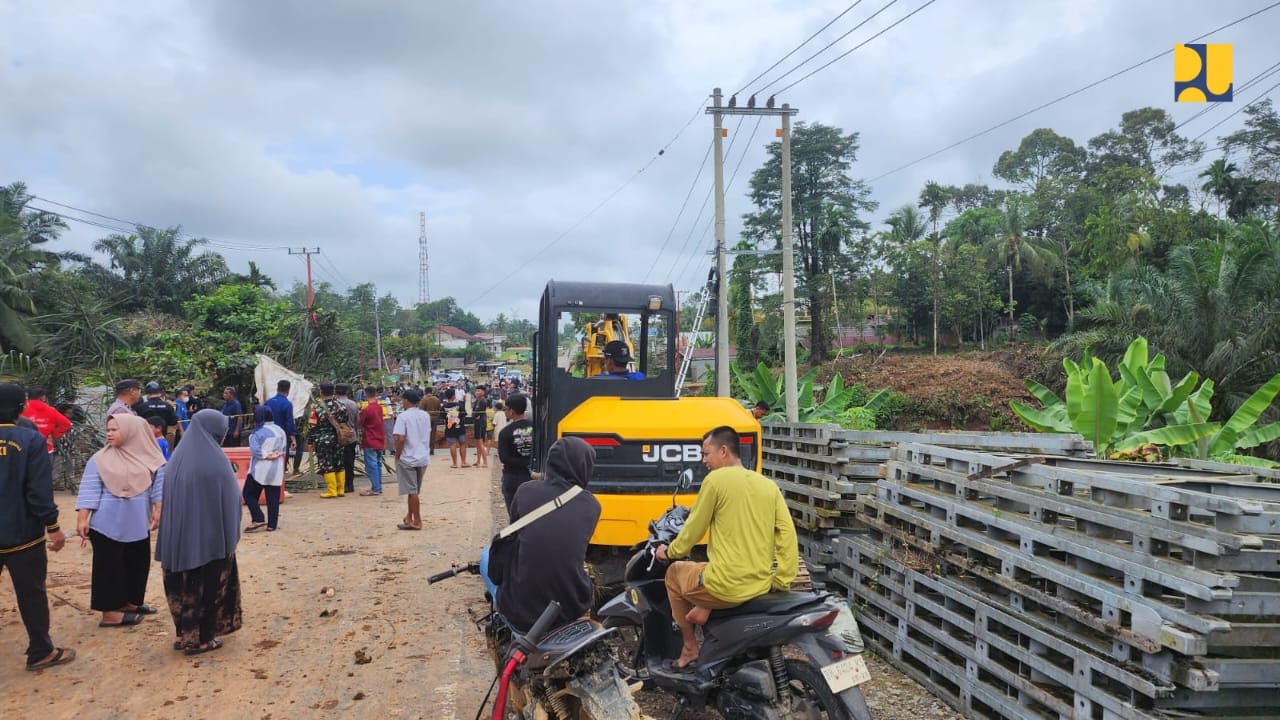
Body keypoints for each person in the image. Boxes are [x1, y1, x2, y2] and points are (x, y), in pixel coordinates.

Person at [655, 425, 798, 669]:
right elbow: (787, 536)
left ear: (723, 451)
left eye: (706, 454)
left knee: (674, 573)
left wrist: (669, 552)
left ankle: (689, 646)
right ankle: (705, 608)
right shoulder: (768, 486)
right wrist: (782, 580)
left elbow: (693, 530)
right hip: (759, 584)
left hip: (725, 585)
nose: (704, 460)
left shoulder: (716, 480)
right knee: (707, 567)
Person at [155, 409, 244, 655]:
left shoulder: (176, 460)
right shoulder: (216, 462)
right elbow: (231, 501)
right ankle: (203, 639)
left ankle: (182, 634)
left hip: (178, 541)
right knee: (207, 586)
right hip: (210, 541)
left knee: (179, 585)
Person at [0, 384, 75, 670]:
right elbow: (38, 491)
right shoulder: (30, 439)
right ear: (21, 408)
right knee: (31, 593)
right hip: (22, 536)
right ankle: (41, 651)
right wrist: (53, 526)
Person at [494, 437, 601, 632]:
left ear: (550, 463)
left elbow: (514, 535)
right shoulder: (592, 505)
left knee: (488, 557)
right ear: (585, 467)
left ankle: (499, 621)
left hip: (520, 611)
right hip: (570, 607)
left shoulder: (525, 491)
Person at [74, 414, 166, 628]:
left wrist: (158, 509)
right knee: (109, 567)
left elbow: (159, 487)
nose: (109, 433)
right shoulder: (99, 459)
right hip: (106, 524)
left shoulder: (152, 458)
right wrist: (82, 518)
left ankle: (130, 603)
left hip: (138, 523)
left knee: (137, 563)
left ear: (132, 431)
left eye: (115, 429)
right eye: (108, 429)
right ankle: (110, 614)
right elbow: (89, 489)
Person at [392, 389, 432, 530]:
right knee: (413, 490)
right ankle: (409, 517)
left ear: (406, 401)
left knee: (412, 490)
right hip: (422, 456)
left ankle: (417, 520)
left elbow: (400, 438)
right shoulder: (425, 415)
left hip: (408, 457)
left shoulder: (403, 417)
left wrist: (397, 454)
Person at [243, 406, 287, 533]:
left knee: (248, 493)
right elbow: (284, 448)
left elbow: (255, 451)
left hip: (260, 468)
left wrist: (267, 455)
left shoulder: (256, 433)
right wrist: (275, 455)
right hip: (276, 467)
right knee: (273, 496)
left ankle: (258, 518)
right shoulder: (280, 430)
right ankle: (272, 525)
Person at [308, 382, 350, 498]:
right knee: (339, 462)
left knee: (327, 463)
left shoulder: (317, 407)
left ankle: (332, 491)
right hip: (339, 438)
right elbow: (345, 420)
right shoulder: (341, 405)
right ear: (333, 391)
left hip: (323, 440)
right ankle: (340, 489)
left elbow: (312, 425)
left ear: (321, 392)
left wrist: (310, 441)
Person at [496, 393, 534, 517]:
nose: (505, 412)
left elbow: (504, 458)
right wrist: (529, 462)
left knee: (515, 514)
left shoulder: (505, 432)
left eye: (506, 409)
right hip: (534, 476)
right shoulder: (537, 429)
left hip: (513, 477)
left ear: (511, 411)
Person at [21, 387, 72, 454]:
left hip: (23, 449)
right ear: (42, 397)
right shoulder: (50, 410)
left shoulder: (20, 409)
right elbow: (66, 424)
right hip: (45, 449)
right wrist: (53, 436)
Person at [263, 380, 297, 476]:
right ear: (288, 390)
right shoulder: (287, 404)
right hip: (282, 436)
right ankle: (280, 478)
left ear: (277, 388)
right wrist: (293, 438)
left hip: (268, 434)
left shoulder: (268, 402)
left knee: (268, 455)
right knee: (281, 457)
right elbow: (289, 422)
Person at [358, 386, 385, 496]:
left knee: (371, 465)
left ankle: (375, 488)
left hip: (370, 439)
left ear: (366, 395)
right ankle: (378, 487)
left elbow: (360, 424)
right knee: (378, 464)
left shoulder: (366, 410)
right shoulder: (379, 407)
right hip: (379, 439)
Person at [335, 384, 360, 494]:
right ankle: (349, 484)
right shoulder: (353, 404)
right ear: (347, 392)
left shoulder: (334, 404)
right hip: (351, 436)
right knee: (349, 461)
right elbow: (357, 421)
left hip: (337, 437)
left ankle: (339, 484)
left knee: (338, 461)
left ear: (335, 391)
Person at [441, 388, 469, 468]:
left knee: (452, 445)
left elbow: (443, 417)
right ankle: (463, 462)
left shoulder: (444, 407)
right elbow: (464, 414)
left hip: (449, 428)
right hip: (460, 428)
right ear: (453, 396)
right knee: (462, 444)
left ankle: (454, 464)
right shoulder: (459, 405)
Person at [418, 386, 443, 455]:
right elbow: (439, 409)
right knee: (433, 434)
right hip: (435, 419)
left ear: (425, 392)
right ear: (431, 392)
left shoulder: (424, 400)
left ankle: (426, 449)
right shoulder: (436, 399)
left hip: (426, 420)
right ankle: (432, 449)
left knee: (425, 434)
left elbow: (421, 410)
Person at [471, 385, 491, 469]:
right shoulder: (477, 400)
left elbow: (477, 413)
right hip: (477, 422)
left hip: (480, 423)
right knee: (477, 443)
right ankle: (478, 461)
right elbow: (474, 412)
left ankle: (485, 462)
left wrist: (475, 414)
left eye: (478, 391)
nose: (476, 392)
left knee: (480, 443)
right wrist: (475, 414)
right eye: (476, 391)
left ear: (483, 392)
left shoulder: (483, 401)